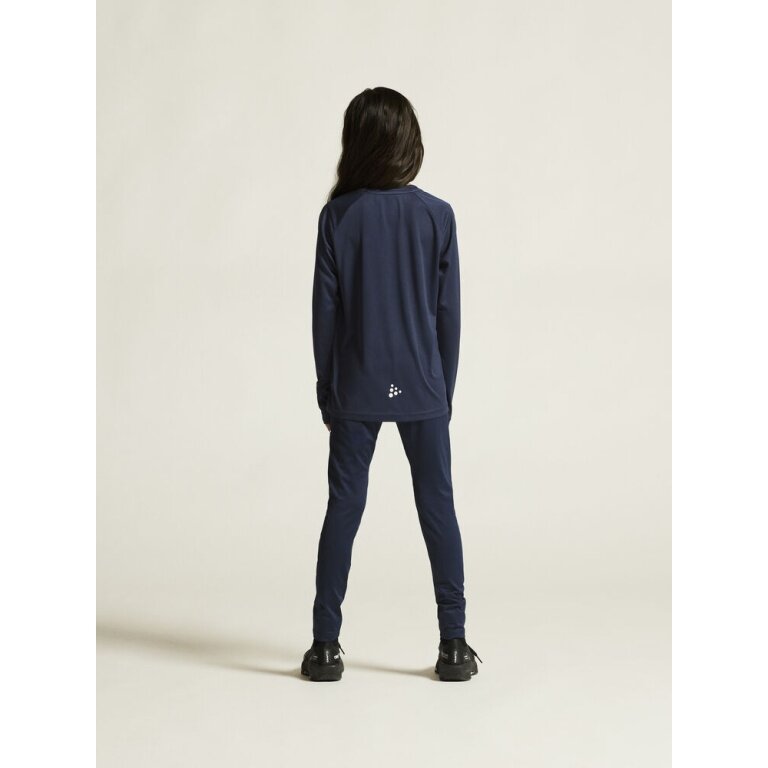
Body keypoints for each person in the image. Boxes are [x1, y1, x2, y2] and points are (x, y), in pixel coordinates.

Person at [301, 87, 482, 683]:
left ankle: (325, 647)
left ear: (356, 142)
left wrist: (328, 389)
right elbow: (449, 315)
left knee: (343, 508)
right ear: (409, 142)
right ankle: (453, 644)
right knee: (438, 507)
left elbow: (324, 316)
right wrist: (442, 392)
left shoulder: (338, 217)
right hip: (424, 387)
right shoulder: (437, 216)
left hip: (355, 386)